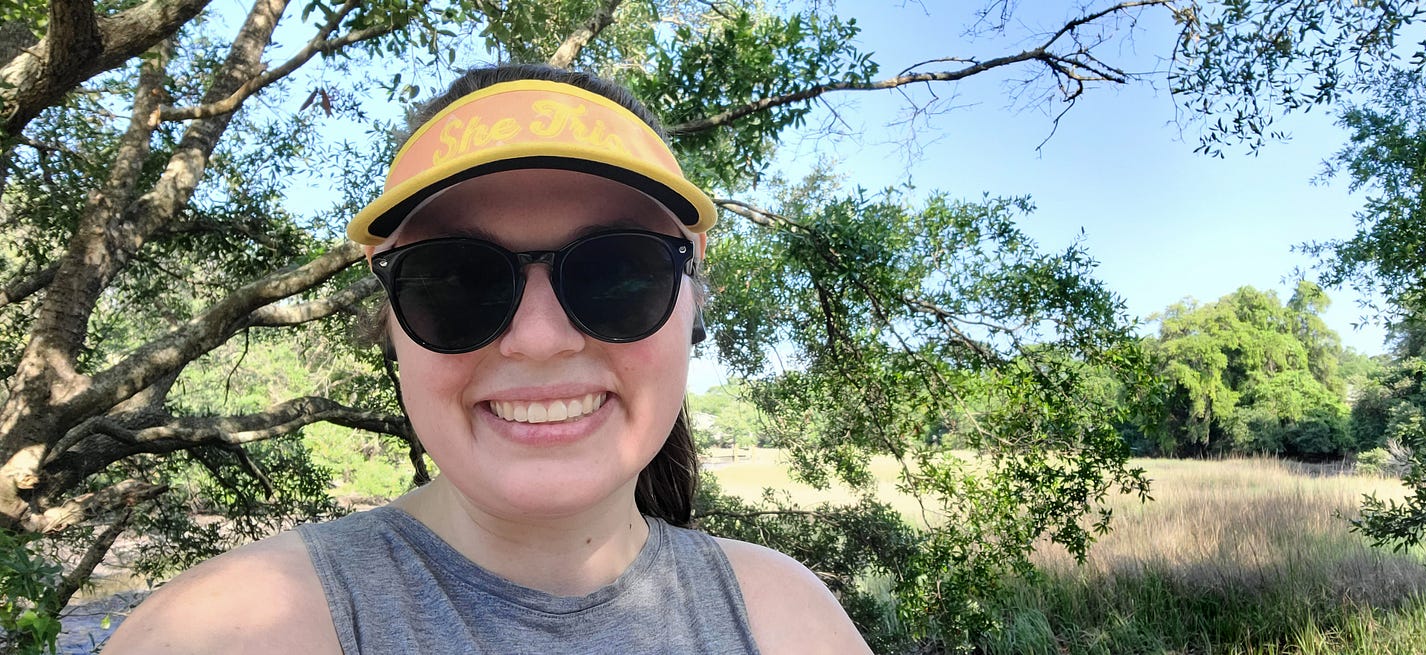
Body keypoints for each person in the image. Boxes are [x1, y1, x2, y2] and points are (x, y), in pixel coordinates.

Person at [102, 64, 873, 654]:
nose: (540, 339)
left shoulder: (789, 622)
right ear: (393, 322)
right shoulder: (231, 628)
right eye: (456, 279)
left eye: (617, 273)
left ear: (691, 299)